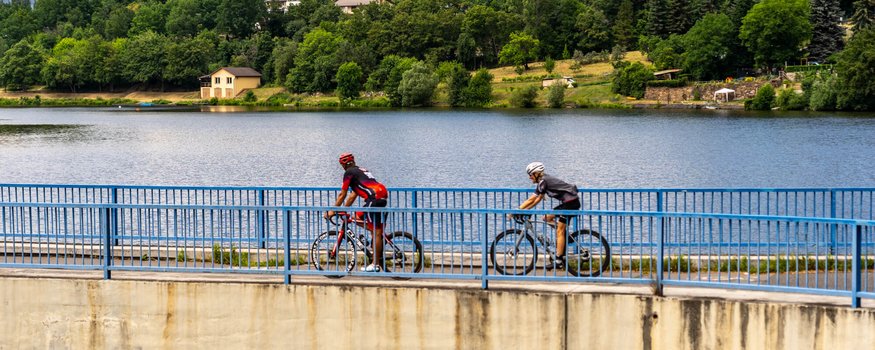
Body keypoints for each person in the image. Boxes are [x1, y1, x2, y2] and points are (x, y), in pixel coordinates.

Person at [324, 153, 389, 272]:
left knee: (376, 232)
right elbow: (353, 195)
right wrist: (343, 209)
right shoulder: (361, 170)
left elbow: (342, 194)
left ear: (343, 165)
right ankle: (375, 235)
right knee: (356, 217)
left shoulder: (348, 173)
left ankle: (375, 264)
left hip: (373, 199)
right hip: (381, 195)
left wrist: (332, 211)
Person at [512, 161, 580, 268]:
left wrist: (517, 210)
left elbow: (531, 199)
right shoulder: (543, 181)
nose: (530, 177)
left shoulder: (543, 181)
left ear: (536, 173)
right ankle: (564, 235)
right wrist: (526, 211)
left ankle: (558, 260)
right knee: (546, 217)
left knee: (559, 230)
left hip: (570, 204)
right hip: (569, 202)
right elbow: (538, 199)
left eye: (530, 175)